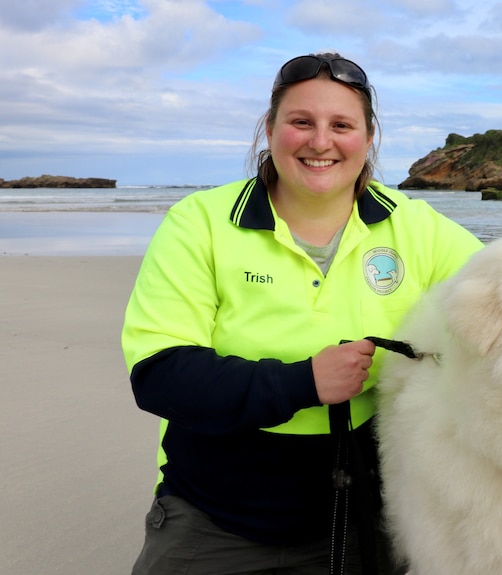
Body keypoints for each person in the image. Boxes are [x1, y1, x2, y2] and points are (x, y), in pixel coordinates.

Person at [121, 52, 483, 575]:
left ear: (368, 136)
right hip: (214, 515)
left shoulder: (418, 228)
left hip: (364, 517)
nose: (320, 142)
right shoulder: (199, 223)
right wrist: (304, 382)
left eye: (341, 125)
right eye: (300, 122)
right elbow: (160, 376)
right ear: (269, 129)